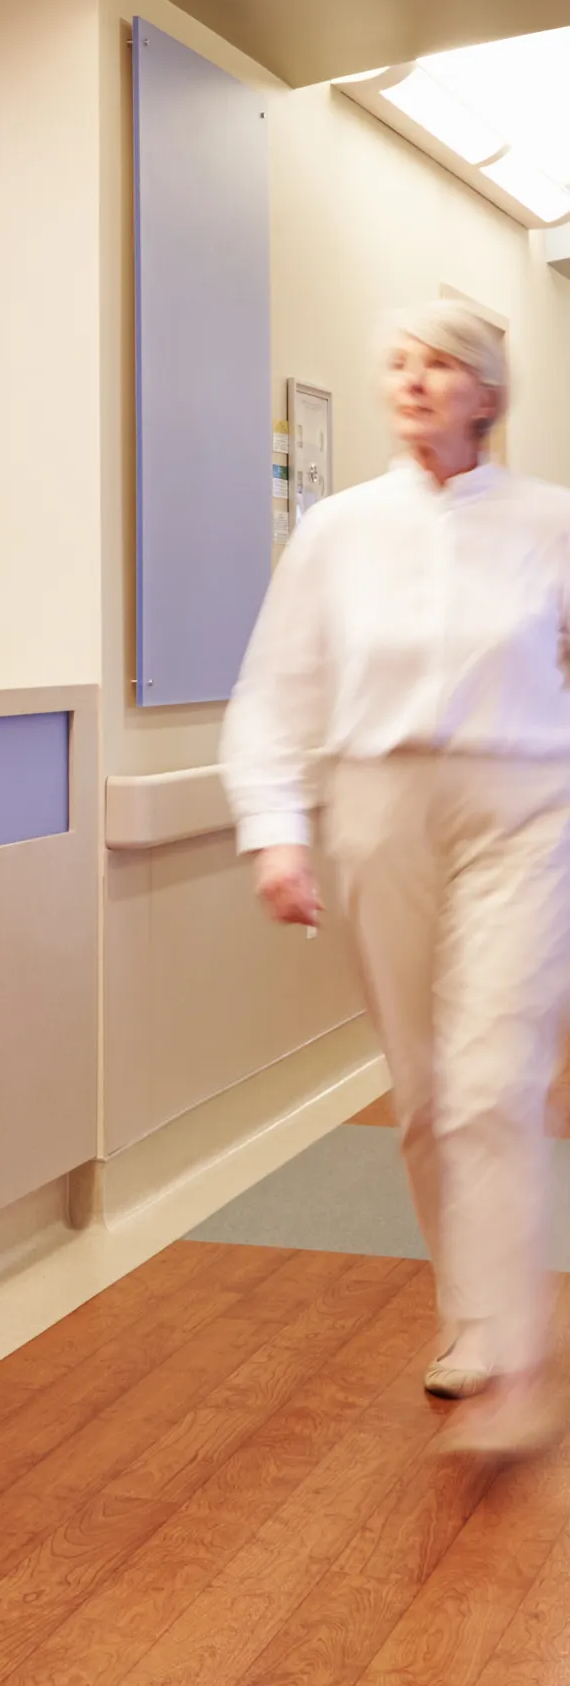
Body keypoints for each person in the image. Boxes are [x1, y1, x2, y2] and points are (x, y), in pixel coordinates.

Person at [223, 299, 570, 1457]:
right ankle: (471, 1316)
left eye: (443, 366)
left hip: (523, 803)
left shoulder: (547, 522)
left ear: (486, 393)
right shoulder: (337, 530)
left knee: (492, 1075)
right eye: (400, 362)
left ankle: (518, 1353)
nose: (416, 381)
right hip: (379, 807)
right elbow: (277, 689)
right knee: (425, 1089)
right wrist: (275, 830)